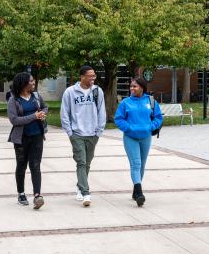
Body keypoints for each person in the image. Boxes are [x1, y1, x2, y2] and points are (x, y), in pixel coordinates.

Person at [60, 66, 106, 207]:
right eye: (90, 75)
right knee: (81, 162)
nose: (93, 78)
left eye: (94, 76)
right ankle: (86, 193)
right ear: (82, 76)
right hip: (77, 134)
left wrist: (99, 131)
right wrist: (70, 132)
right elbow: (64, 112)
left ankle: (80, 186)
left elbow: (101, 111)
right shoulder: (70, 92)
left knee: (87, 162)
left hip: (93, 134)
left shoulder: (98, 91)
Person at [114, 77, 163, 207]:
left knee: (142, 165)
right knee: (136, 164)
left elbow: (158, 117)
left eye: (135, 86)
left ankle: (136, 191)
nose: (132, 88)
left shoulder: (151, 101)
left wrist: (150, 127)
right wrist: (129, 128)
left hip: (146, 137)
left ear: (142, 87)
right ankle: (139, 193)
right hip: (130, 137)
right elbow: (118, 119)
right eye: (131, 86)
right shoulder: (125, 103)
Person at [7, 72, 48, 209]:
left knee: (35, 166)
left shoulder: (36, 96)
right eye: (31, 81)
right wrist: (34, 116)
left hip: (37, 136)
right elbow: (14, 120)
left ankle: (37, 195)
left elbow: (44, 107)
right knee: (21, 166)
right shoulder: (14, 100)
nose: (33, 83)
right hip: (21, 138)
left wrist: (42, 114)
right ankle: (21, 193)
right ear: (24, 83)